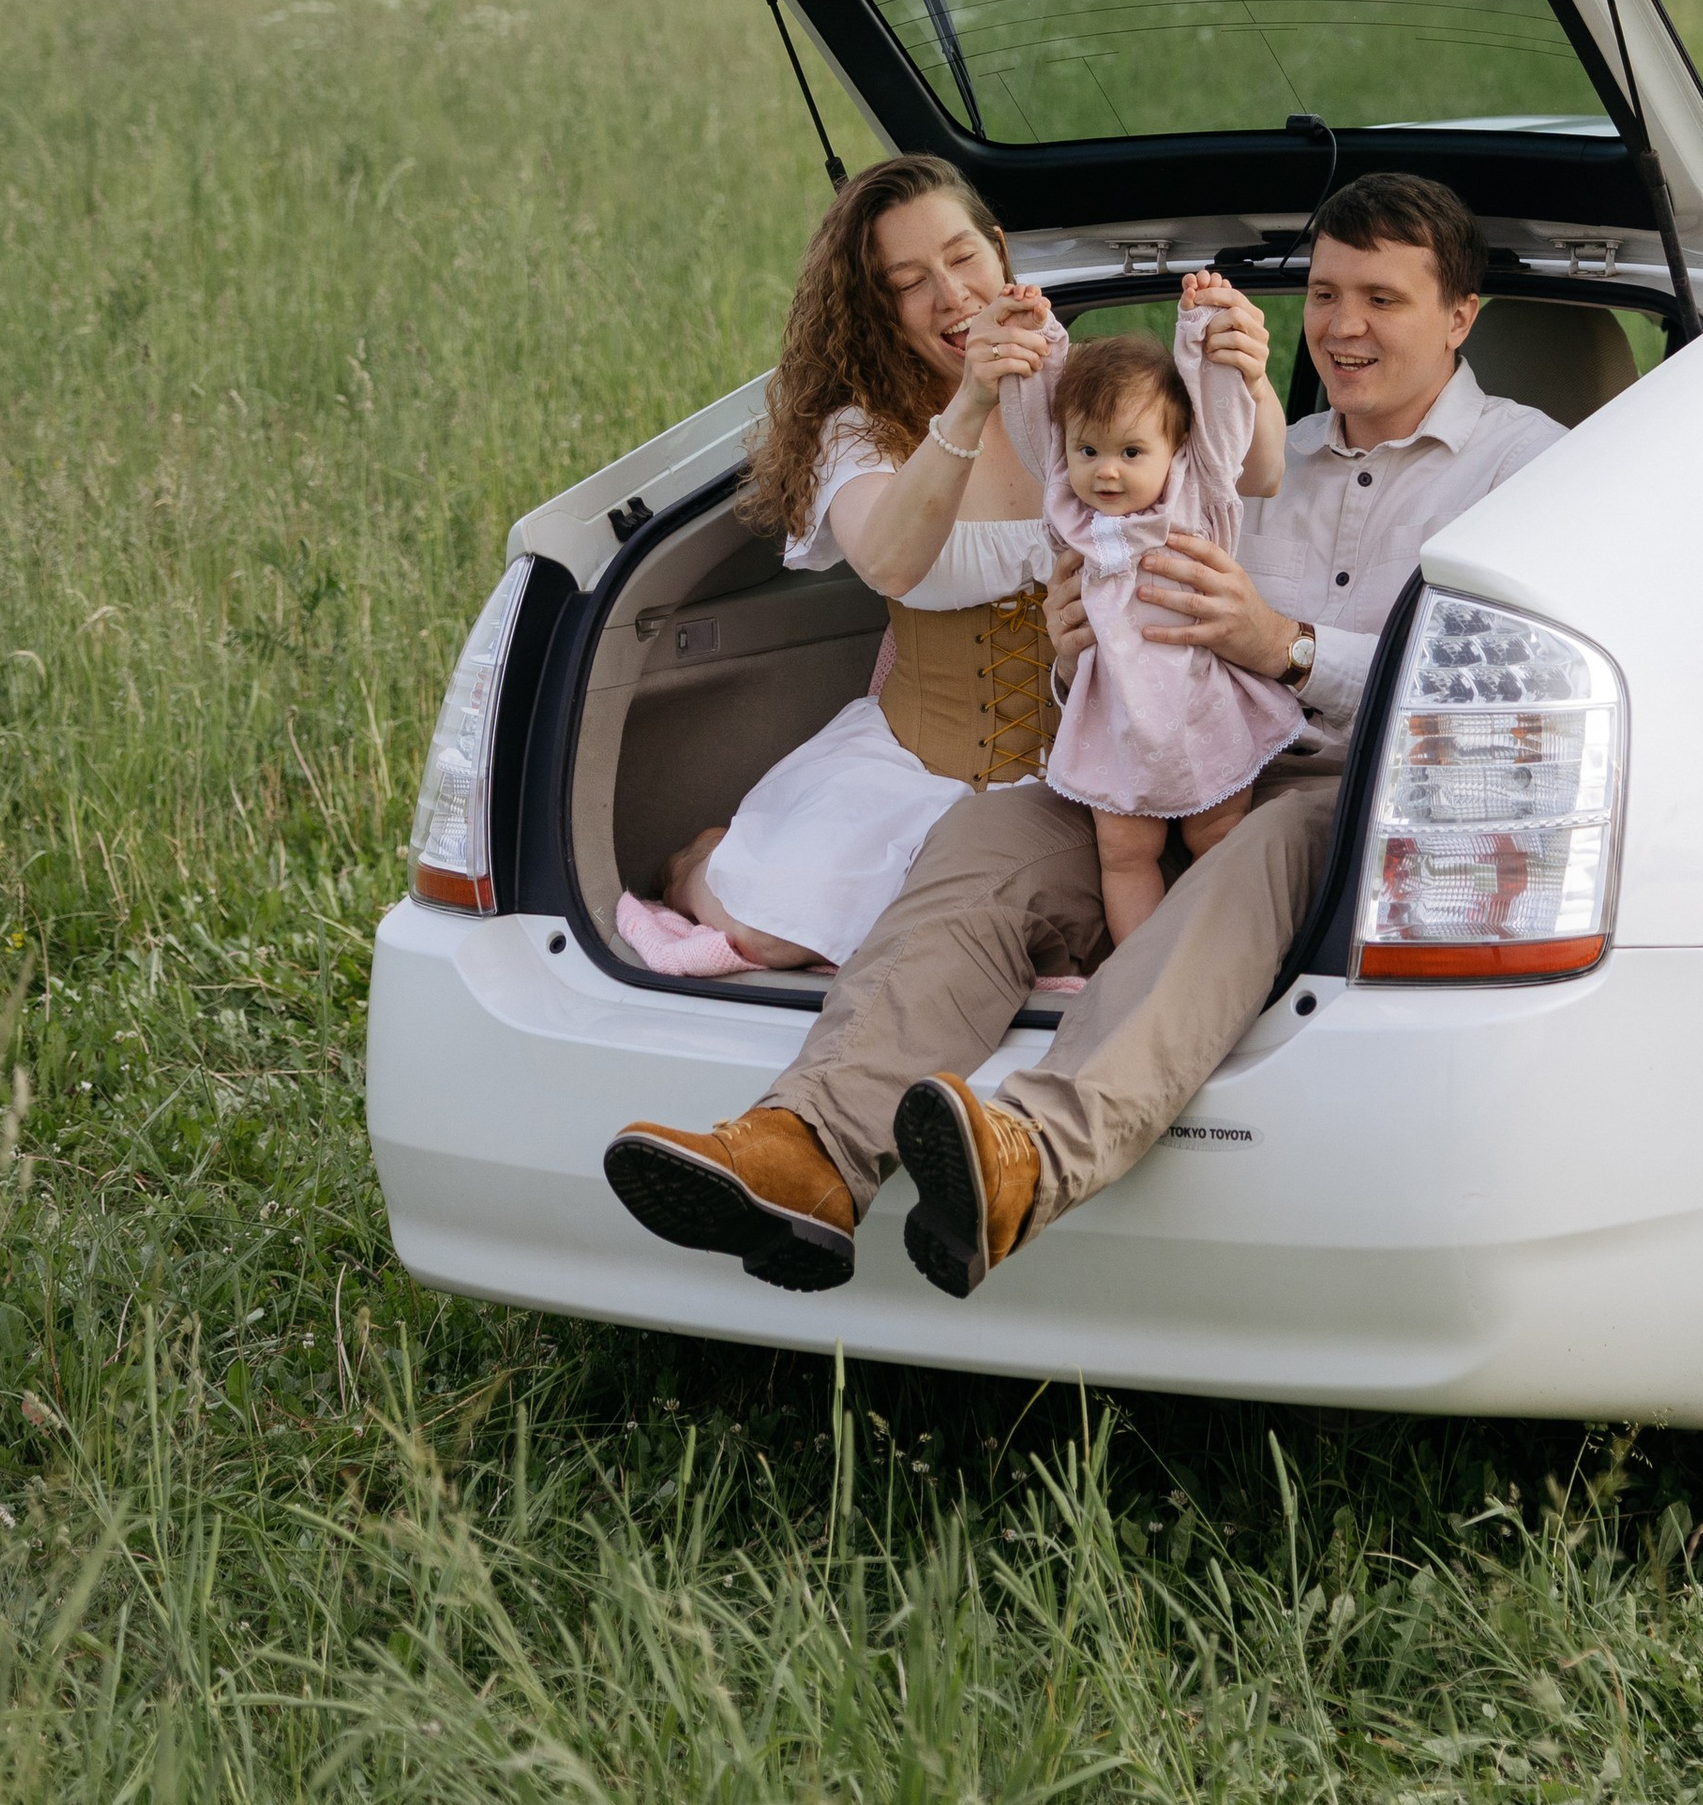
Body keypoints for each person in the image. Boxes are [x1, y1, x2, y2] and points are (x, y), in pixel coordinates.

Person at [604, 172, 1565, 1297]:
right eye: (1325, 292)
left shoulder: (1532, 468)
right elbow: (1143, 644)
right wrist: (1073, 656)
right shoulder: (1245, 451)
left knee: (1259, 853)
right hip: (1174, 757)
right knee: (989, 839)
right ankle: (805, 1149)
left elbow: (1507, 701)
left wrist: (1288, 646)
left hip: (1358, 780)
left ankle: (1033, 1154)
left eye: (1383, 300)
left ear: (1460, 316)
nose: (1343, 327)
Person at [1007, 297, 1296, 948]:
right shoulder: (1071, 518)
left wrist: (1201, 337)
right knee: (1124, 853)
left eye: (1132, 451)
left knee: (1218, 834)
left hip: (1200, 713)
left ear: (1177, 450)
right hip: (1120, 729)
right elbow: (1036, 427)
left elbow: (1223, 427)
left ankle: (1224, 950)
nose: (1106, 469)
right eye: (1089, 450)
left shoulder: (1198, 503)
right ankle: (1142, 962)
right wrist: (1037, 345)